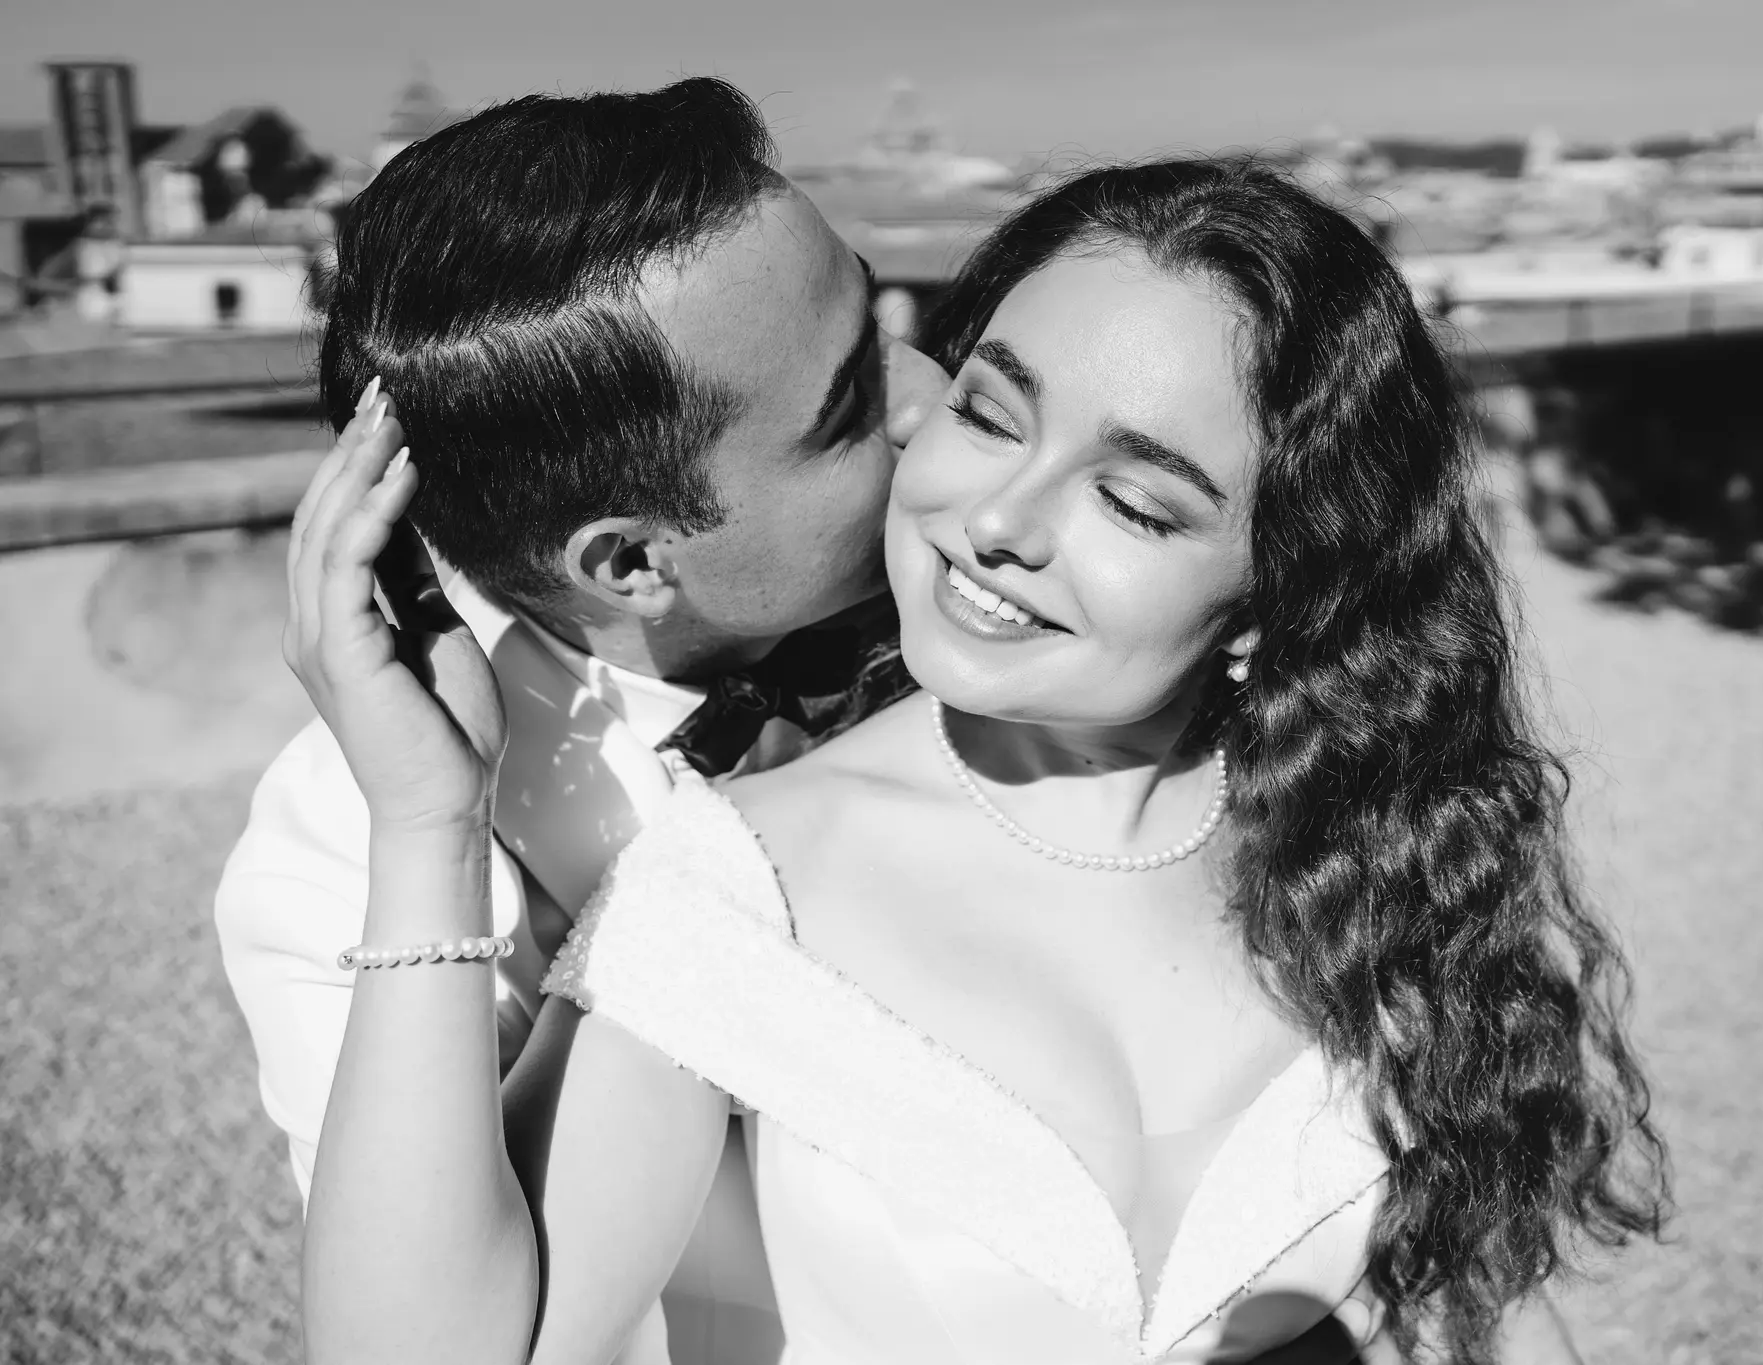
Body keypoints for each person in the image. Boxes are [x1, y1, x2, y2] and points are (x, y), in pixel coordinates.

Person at [286, 157, 1667, 1364]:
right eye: (994, 412)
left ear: (1281, 595)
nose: (996, 516)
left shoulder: (1371, 839)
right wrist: (427, 827)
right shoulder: (737, 886)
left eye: (1133, 498)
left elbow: (1395, 1298)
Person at [214, 80, 946, 1365]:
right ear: (628, 564)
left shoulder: (1003, 590)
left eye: (884, 315)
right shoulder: (344, 845)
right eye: (847, 409)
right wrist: (432, 836)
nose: (933, 397)